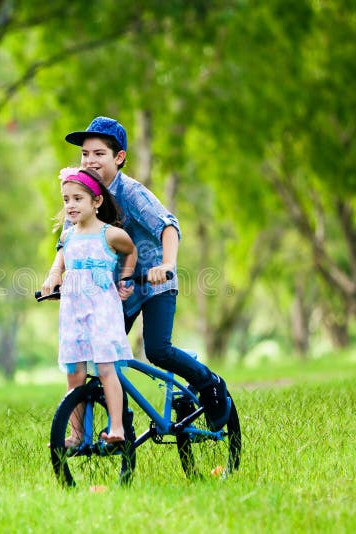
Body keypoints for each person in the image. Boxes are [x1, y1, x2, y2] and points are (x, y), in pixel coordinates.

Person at [42, 116, 229, 429]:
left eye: (99, 154)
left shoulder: (131, 192)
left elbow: (168, 226)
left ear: (119, 158)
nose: (89, 160)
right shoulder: (82, 193)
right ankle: (120, 425)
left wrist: (167, 265)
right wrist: (54, 276)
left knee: (158, 350)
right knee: (101, 354)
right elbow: (67, 241)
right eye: (85, 154)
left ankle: (209, 383)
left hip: (153, 282)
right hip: (116, 289)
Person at [41, 168, 138, 445]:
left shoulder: (109, 235)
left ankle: (117, 428)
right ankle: (77, 434)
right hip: (74, 311)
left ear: (96, 202)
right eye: (66, 199)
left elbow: (131, 250)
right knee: (75, 373)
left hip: (102, 311)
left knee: (106, 368)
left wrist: (125, 278)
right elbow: (60, 260)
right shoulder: (68, 236)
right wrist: (53, 277)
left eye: (77, 199)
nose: (70, 205)